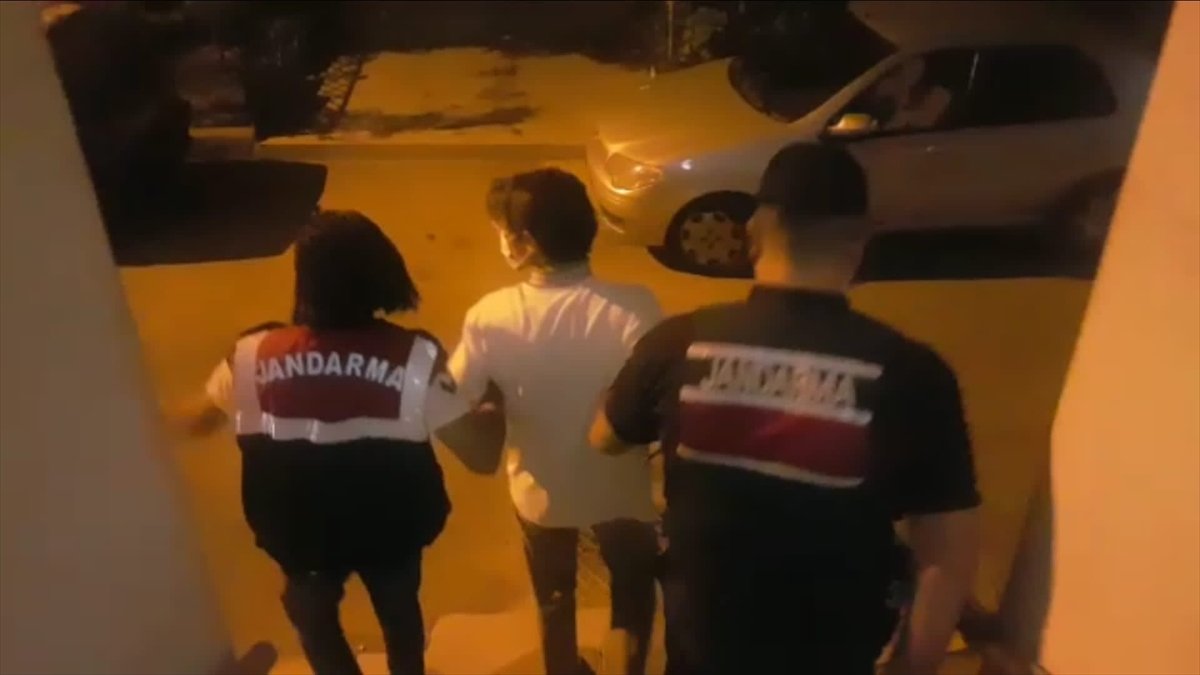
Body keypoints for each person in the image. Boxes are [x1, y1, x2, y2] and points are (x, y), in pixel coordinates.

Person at [590, 143, 981, 675]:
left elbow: (606, 437)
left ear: (754, 232)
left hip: (703, 655)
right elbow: (946, 551)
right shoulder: (914, 374)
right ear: (861, 241)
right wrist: (915, 664)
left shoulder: (678, 343)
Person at [179, 210, 502, 675]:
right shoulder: (413, 358)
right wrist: (494, 402)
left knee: (312, 619)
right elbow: (481, 456)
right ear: (383, 274)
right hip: (392, 533)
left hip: (299, 537)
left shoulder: (251, 355)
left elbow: (195, 420)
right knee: (399, 614)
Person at [448, 169, 661, 675]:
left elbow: (452, 397)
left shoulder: (491, 316)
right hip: (622, 490)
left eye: (503, 231)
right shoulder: (635, 308)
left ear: (524, 243)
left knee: (553, 594)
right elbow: (656, 399)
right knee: (631, 593)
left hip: (541, 494)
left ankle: (562, 667)